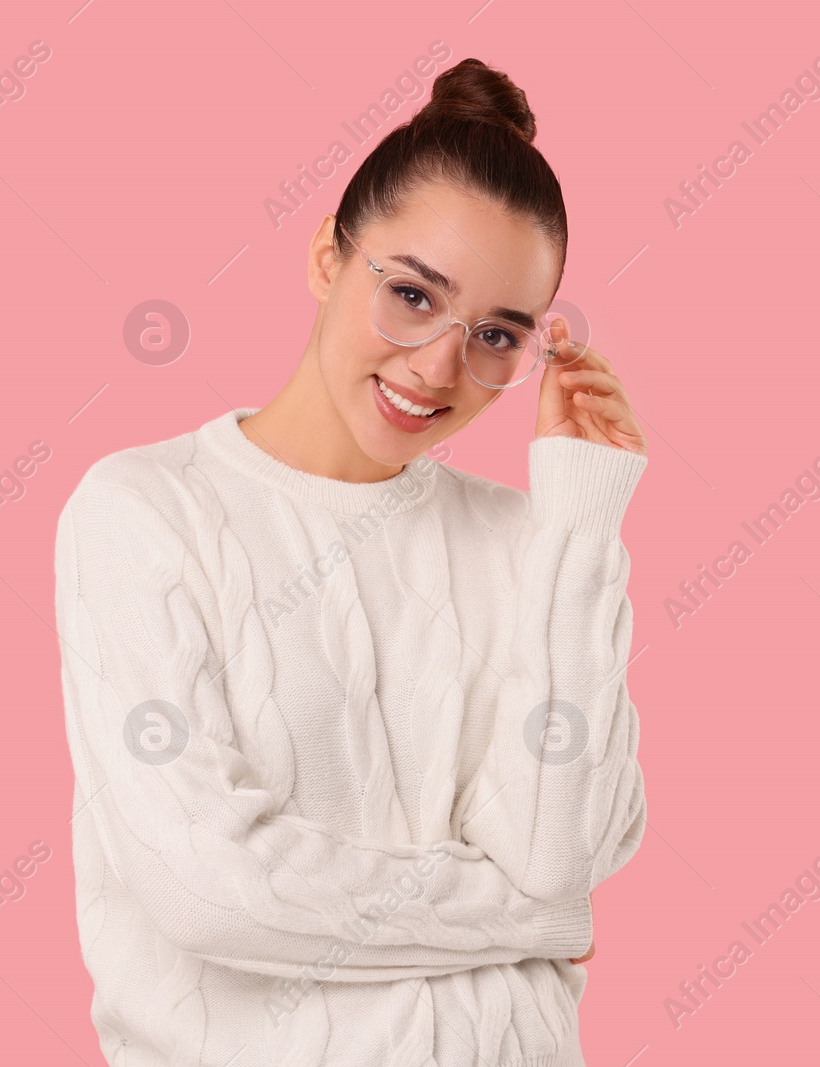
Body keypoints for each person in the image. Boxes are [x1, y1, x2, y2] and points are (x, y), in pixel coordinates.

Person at [54, 57, 649, 1067]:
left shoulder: (530, 545)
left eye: (496, 334)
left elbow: (558, 853)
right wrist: (532, 919)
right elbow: (210, 882)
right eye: (412, 295)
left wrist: (582, 527)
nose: (436, 369)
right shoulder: (147, 513)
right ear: (329, 257)